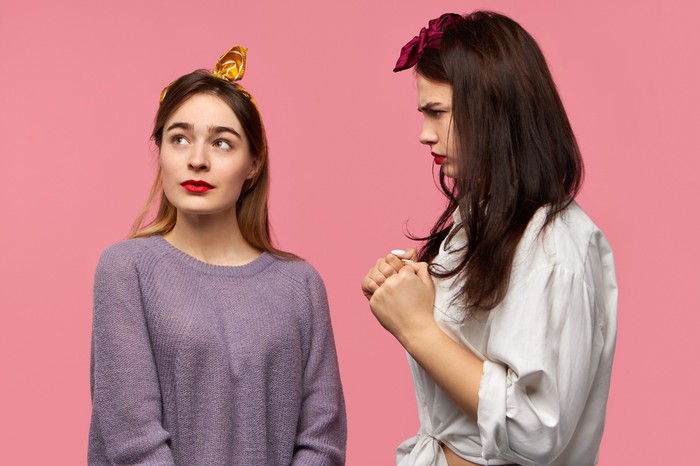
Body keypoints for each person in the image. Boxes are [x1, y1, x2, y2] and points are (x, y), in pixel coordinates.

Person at [361, 11, 617, 466]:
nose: (424, 135)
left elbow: (535, 427)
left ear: (493, 109)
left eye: (437, 113)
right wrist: (408, 292)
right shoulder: (480, 222)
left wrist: (416, 327)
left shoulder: (554, 246)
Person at [89, 46, 346, 465]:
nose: (197, 160)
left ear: (253, 163)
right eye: (179, 139)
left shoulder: (300, 285)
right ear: (160, 150)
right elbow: (133, 442)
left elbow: (322, 442)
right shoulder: (126, 269)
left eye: (222, 143)